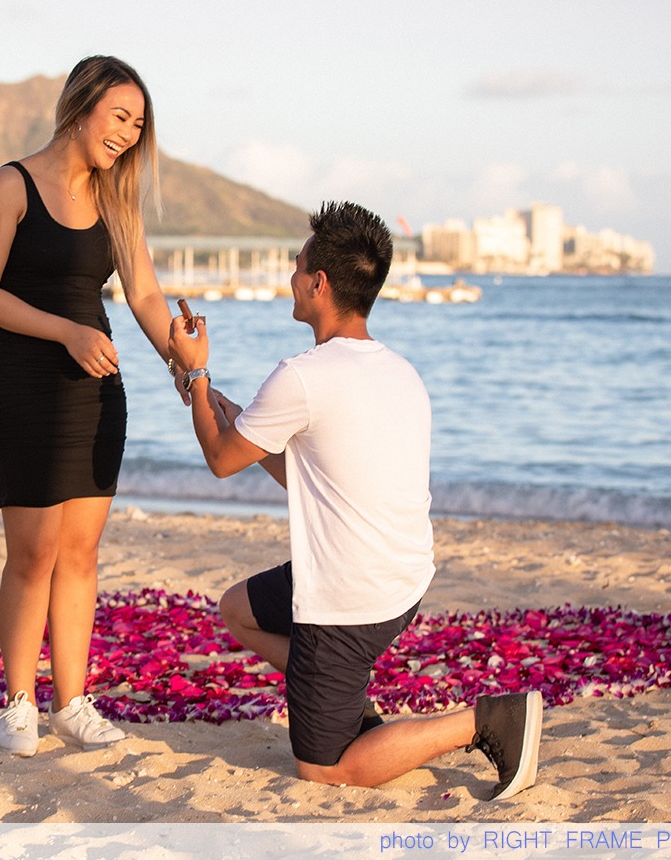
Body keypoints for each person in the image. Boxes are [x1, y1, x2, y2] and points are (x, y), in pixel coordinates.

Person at [166, 201, 544, 800]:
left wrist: (195, 375)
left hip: (348, 599)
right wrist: (229, 412)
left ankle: (488, 721)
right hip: (402, 581)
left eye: (297, 267)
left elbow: (219, 462)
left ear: (318, 284)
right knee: (237, 608)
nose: (291, 277)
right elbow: (310, 476)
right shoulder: (399, 372)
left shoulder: (303, 375)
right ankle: (333, 699)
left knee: (325, 770)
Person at [0, 55, 187, 757]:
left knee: (82, 552)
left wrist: (184, 361)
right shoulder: (11, 184)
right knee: (32, 551)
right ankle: (20, 704)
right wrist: (65, 328)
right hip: (22, 384)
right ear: (80, 105)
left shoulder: (116, 200)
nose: (127, 133)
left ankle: (72, 703)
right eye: (119, 116)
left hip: (96, 389)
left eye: (138, 124)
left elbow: (146, 296)